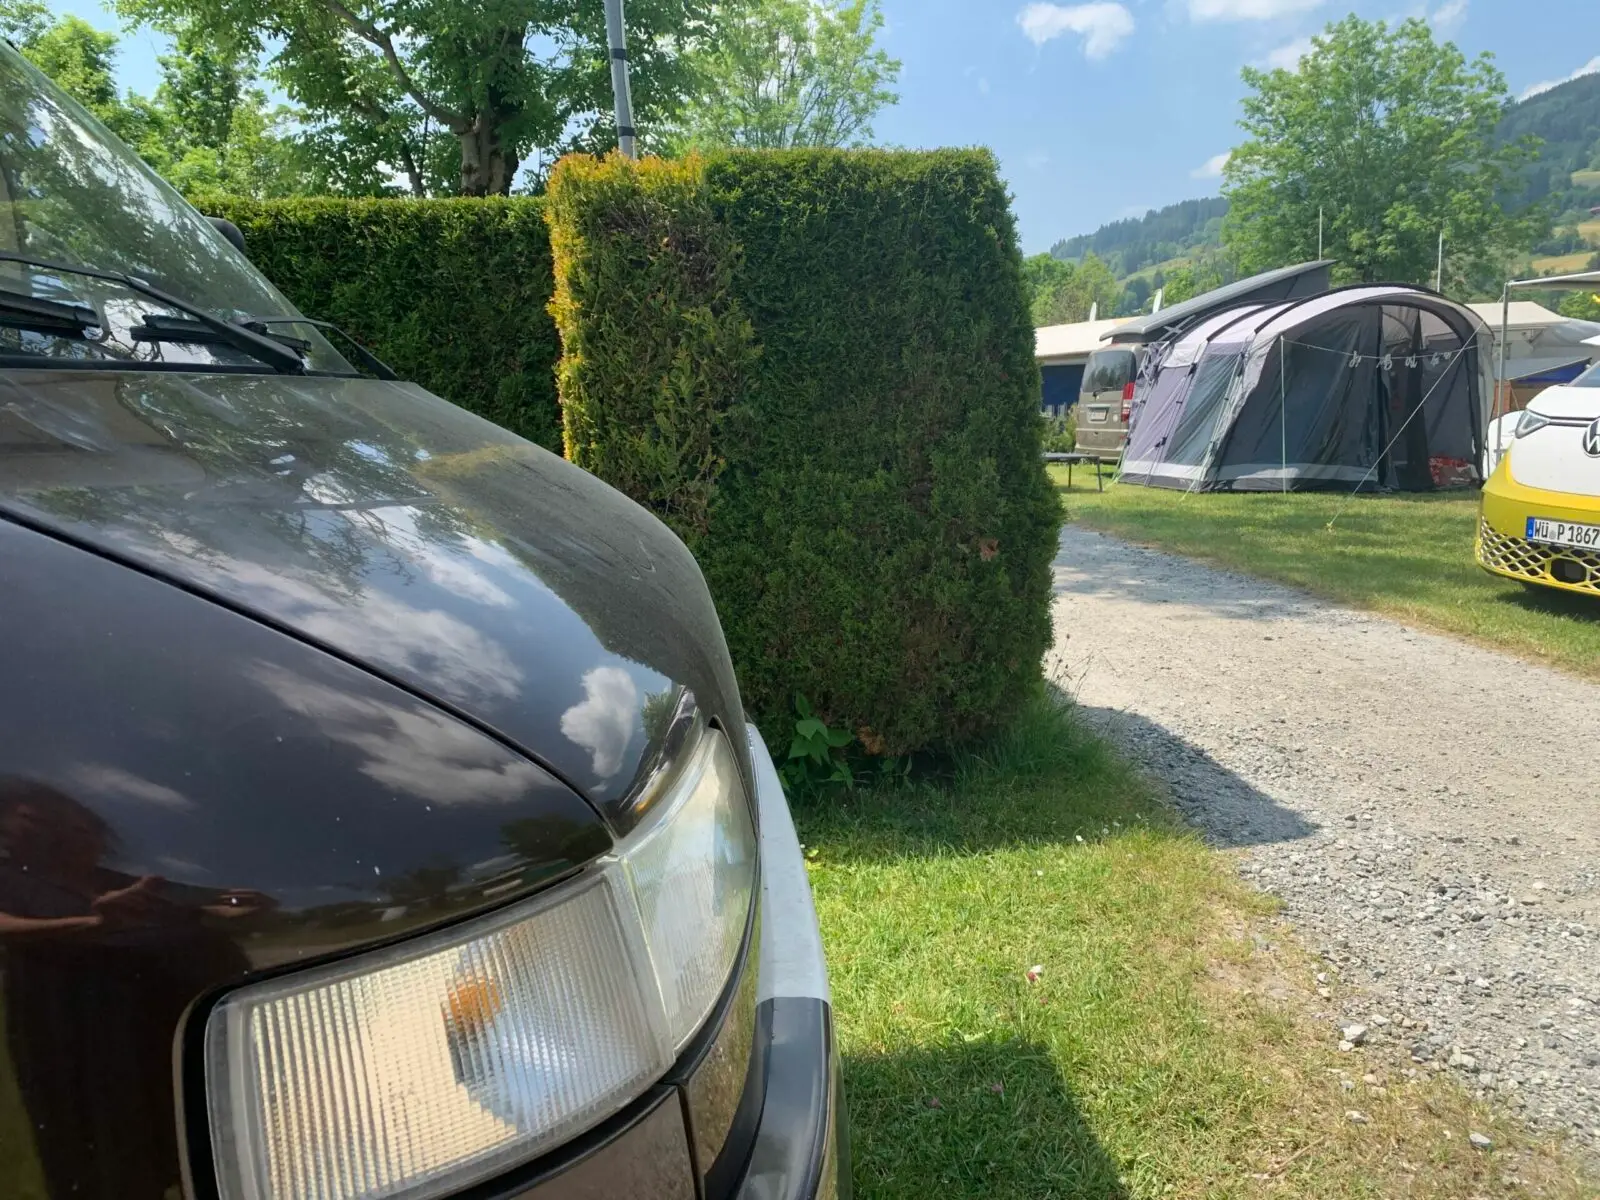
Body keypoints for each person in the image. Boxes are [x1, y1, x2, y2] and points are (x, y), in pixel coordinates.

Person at [0, 777, 253, 1200]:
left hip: (152, 1020)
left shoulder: (115, 880)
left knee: (177, 1123)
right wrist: (93, 924)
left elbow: (192, 907)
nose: (87, 838)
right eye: (32, 821)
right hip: (74, 1024)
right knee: (104, 1138)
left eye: (88, 828)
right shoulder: (12, 880)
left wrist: (235, 906)